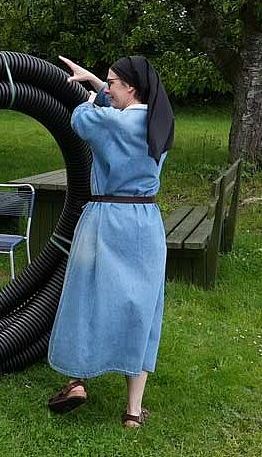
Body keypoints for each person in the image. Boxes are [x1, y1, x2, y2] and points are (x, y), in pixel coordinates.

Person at [45, 55, 175, 428]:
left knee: (85, 298)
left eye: (113, 82)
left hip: (104, 219)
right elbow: (121, 107)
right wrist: (97, 82)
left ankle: (76, 382)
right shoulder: (160, 122)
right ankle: (133, 411)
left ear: (130, 87)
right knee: (141, 310)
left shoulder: (106, 121)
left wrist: (90, 96)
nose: (109, 88)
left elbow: (80, 119)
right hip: (145, 223)